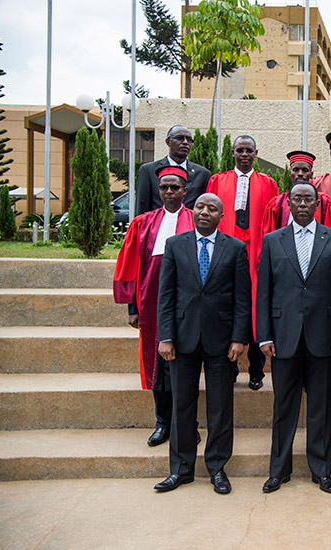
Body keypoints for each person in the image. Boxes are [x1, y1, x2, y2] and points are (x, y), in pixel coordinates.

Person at [257, 181, 331, 495]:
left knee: (319, 408)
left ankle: (321, 470)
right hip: (283, 337)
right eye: (296, 199)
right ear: (288, 203)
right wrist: (264, 336)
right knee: (283, 408)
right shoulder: (272, 240)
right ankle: (278, 471)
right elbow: (264, 293)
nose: (301, 204)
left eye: (307, 199)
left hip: (323, 338)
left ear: (316, 204)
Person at [154, 193, 251, 495]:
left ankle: (217, 468)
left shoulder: (235, 248)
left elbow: (242, 299)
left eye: (212, 208)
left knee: (220, 408)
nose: (205, 212)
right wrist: (165, 337)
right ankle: (181, 470)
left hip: (221, 342)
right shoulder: (175, 245)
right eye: (200, 207)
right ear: (192, 211)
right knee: (182, 406)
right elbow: (166, 295)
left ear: (222, 215)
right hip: (181, 340)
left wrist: (239, 338)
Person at [114, 165, 195, 447]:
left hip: (187, 304)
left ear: (186, 191)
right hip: (151, 303)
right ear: (158, 191)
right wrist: (132, 308)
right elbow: (130, 265)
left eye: (175, 187)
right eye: (164, 188)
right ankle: (162, 422)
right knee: (157, 364)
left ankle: (187, 423)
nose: (169, 192)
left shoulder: (197, 220)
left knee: (185, 363)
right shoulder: (144, 223)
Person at [207, 135, 279, 391]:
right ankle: (231, 367)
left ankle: (257, 370)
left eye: (249, 150)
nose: (245, 154)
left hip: (256, 253)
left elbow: (273, 221)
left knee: (255, 309)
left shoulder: (268, 183)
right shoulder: (218, 180)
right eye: (240, 150)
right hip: (226, 252)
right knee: (228, 306)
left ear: (256, 153)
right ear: (233, 153)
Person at [135, 125, 209, 216]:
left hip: (189, 226)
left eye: (189, 140)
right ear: (168, 142)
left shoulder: (202, 174)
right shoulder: (148, 171)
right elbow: (141, 207)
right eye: (179, 138)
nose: (185, 142)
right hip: (158, 226)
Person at [262, 151, 331, 233]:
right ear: (290, 173)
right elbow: (270, 237)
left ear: (311, 174)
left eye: (305, 170)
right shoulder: (277, 203)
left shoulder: (325, 203)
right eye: (295, 170)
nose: (300, 174)